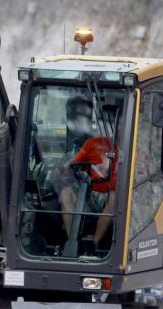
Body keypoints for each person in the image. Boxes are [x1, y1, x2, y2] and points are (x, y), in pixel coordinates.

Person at [48, 95, 117, 256]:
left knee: (113, 199)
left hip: (108, 193)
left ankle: (94, 243)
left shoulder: (121, 146)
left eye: (110, 122)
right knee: (66, 194)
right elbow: (71, 163)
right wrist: (64, 169)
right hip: (87, 190)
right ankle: (72, 244)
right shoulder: (89, 144)